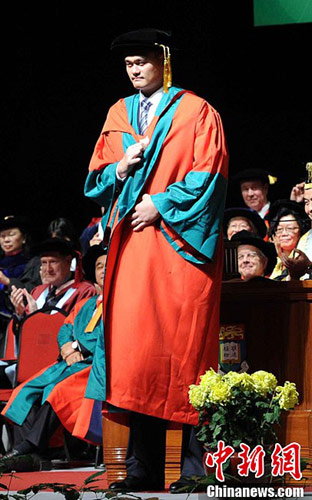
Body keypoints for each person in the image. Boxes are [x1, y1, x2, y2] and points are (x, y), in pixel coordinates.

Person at [83, 28, 228, 492]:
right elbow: (95, 180)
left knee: (182, 350)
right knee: (135, 356)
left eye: (143, 61)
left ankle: (193, 467)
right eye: (129, 64)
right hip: (129, 250)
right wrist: (121, 168)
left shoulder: (195, 111)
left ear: (163, 61)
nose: (135, 69)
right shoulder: (117, 114)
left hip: (176, 247)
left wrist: (160, 204)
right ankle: (140, 467)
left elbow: (210, 175)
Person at [0, 245, 107, 472]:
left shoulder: (120, 303)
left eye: (107, 265)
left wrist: (81, 351)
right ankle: (33, 451)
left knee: (57, 391)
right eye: (99, 266)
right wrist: (68, 348)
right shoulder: (86, 304)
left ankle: (28, 448)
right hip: (69, 362)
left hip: (95, 365)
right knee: (26, 390)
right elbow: (64, 329)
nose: (103, 270)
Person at [0, 238, 96, 388]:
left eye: (53, 262)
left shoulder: (85, 291)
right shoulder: (38, 291)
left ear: (68, 262)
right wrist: (20, 315)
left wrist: (35, 319)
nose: (47, 268)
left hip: (60, 365)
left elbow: (74, 331)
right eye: (44, 263)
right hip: (31, 361)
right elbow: (25, 335)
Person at [279, 164, 312, 280]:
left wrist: (309, 266)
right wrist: (294, 273)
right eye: (306, 202)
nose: (310, 209)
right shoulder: (305, 239)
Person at [266, 200, 309, 280]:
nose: (284, 233)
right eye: (280, 229)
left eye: (290, 228)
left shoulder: (306, 257)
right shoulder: (274, 264)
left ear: (301, 231)